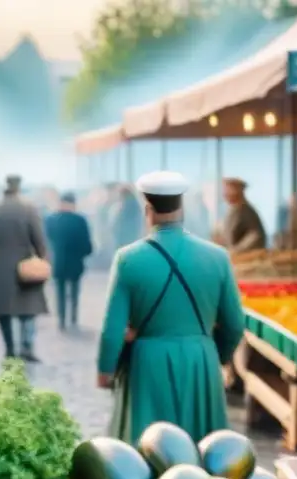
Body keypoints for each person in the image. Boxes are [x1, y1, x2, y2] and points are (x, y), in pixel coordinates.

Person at [97, 171, 245, 443]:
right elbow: (235, 323)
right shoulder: (217, 257)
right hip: (201, 359)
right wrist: (218, 356)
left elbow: (112, 329)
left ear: (147, 210)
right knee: (202, 449)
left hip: (147, 360)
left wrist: (105, 369)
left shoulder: (128, 259)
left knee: (146, 448)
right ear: (182, 208)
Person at [0, 175, 49, 362]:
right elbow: (39, 240)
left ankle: (9, 348)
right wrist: (42, 260)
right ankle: (26, 347)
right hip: (26, 264)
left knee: (3, 310)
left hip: (0, 264)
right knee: (28, 308)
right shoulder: (29, 209)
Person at [45, 192, 93, 331]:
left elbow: (46, 240)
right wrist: (85, 254)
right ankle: (73, 318)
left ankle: (61, 319)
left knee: (59, 291)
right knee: (74, 291)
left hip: (58, 260)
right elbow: (86, 243)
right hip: (75, 261)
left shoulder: (51, 219)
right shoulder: (80, 220)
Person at [218, 178, 266, 252]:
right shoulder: (233, 210)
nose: (225, 195)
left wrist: (236, 250)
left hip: (244, 257)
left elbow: (255, 236)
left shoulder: (246, 210)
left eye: (228, 190)